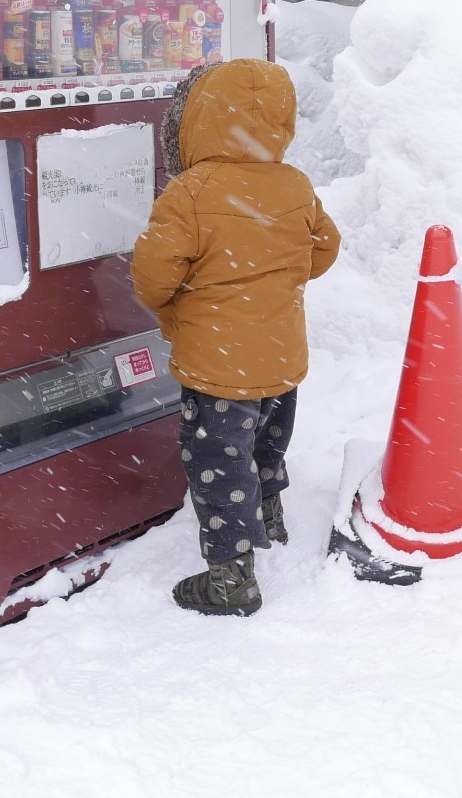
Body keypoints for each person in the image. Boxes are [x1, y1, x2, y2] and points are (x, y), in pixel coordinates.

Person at [131, 58, 340, 616]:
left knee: (219, 465)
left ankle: (231, 579)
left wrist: (179, 297)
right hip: (280, 356)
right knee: (266, 442)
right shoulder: (294, 183)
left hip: (218, 367)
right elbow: (324, 249)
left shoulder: (191, 191)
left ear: (197, 119)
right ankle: (270, 515)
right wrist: (277, 274)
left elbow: (153, 276)